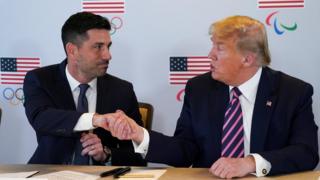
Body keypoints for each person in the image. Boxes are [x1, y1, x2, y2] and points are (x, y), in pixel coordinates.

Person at [102, 15, 319, 178]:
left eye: (220, 48)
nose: (210, 55)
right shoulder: (199, 89)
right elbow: (184, 151)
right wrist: (140, 134)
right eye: (212, 45)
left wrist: (250, 163)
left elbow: (306, 153)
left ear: (247, 59)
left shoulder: (293, 92)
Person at [23, 12, 145, 166]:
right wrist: (95, 119)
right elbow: (42, 118)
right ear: (72, 50)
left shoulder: (122, 90)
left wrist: (106, 154)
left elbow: (139, 155)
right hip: (49, 173)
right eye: (98, 47)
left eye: (108, 46)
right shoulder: (40, 80)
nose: (108, 55)